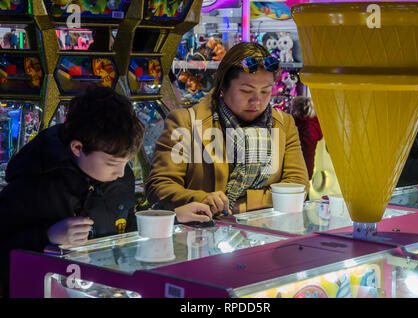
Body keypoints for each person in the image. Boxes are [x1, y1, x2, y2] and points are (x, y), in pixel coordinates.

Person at [0, 87, 212, 297]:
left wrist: (172, 216)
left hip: (97, 287)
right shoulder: (34, 181)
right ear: (77, 148)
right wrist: (48, 235)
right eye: (112, 163)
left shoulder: (116, 175)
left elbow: (124, 227)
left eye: (126, 163)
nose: (120, 172)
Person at [146, 42, 309, 215]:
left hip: (265, 234)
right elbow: (159, 186)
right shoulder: (186, 123)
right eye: (246, 91)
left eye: (265, 91)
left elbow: (297, 185)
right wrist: (201, 199)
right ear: (223, 86)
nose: (257, 101)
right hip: (200, 235)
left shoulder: (284, 124)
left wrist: (243, 206)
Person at [290, 96, 323, 180]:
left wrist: (306, 175)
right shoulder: (311, 123)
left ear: (297, 110)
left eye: (292, 108)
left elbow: (307, 154)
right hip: (300, 172)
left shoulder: (306, 131)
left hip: (299, 174)